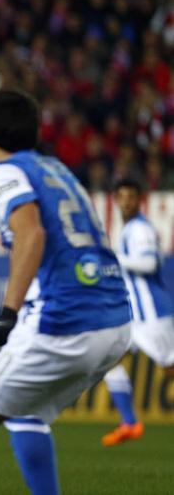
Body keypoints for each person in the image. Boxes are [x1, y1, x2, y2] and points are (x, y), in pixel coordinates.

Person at [0, 89, 131, 495]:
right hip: (116, 322)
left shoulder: (0, 172)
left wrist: (7, 314)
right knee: (25, 411)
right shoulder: (58, 170)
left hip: (64, 323)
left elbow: (32, 233)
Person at [100, 179, 174, 446]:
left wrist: (114, 258)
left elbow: (149, 262)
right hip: (134, 316)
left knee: (170, 368)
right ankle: (130, 422)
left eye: (131, 197)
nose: (126, 202)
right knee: (107, 359)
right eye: (122, 197)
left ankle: (130, 422)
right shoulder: (129, 229)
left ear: (139, 200)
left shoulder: (140, 229)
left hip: (152, 313)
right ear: (116, 200)